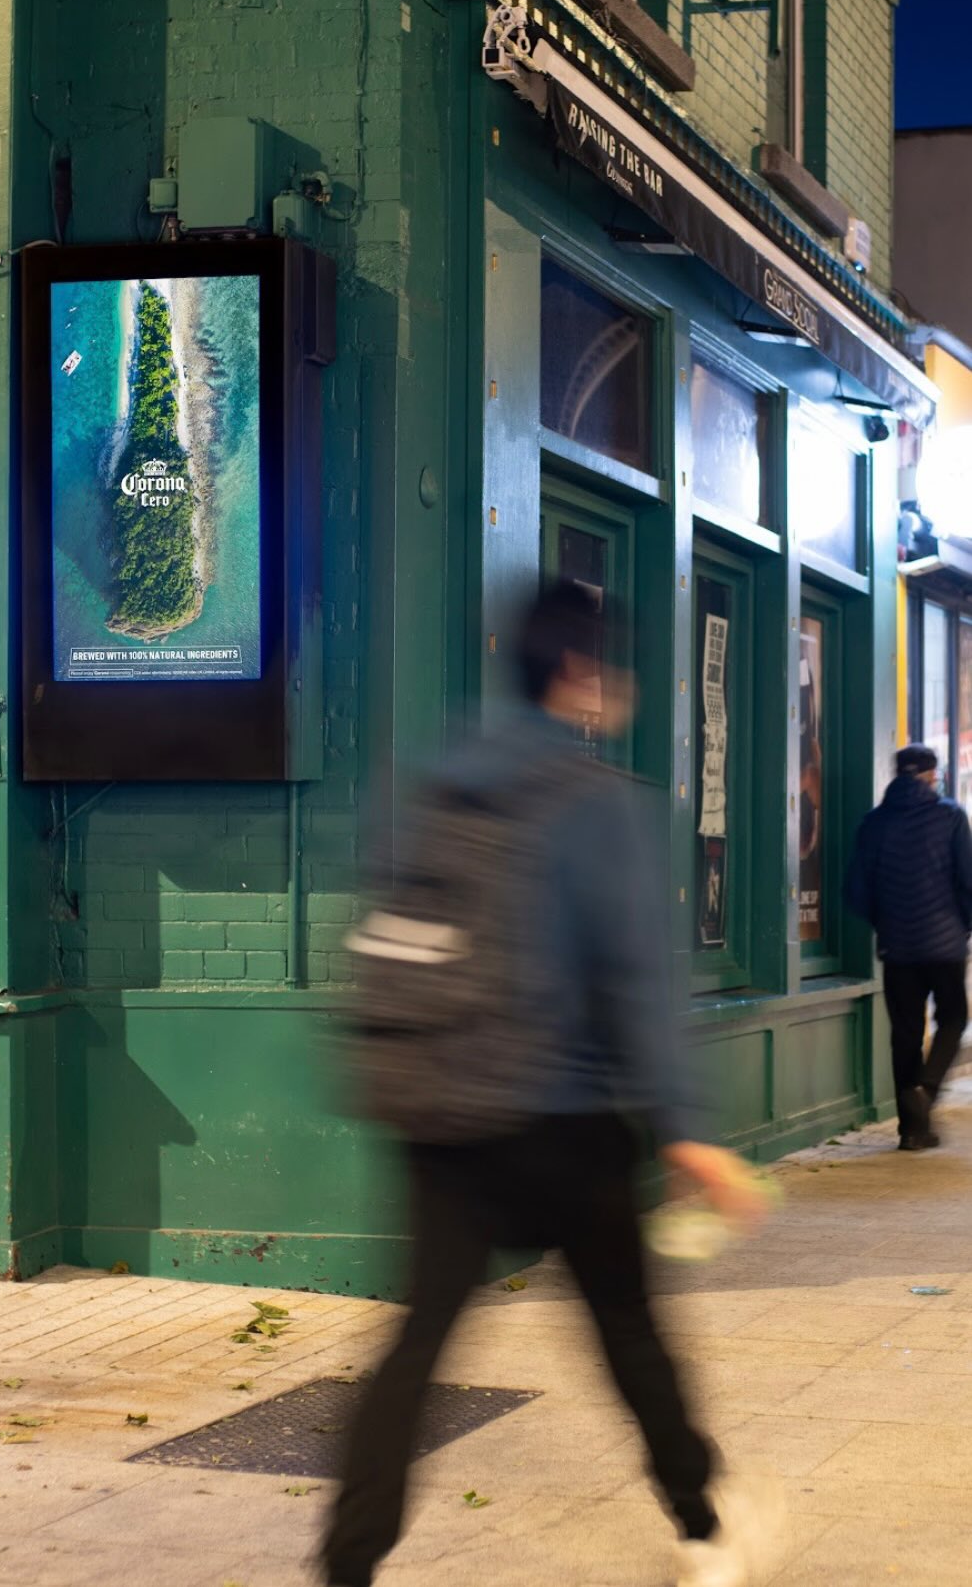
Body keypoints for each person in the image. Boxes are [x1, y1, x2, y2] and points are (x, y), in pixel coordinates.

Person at [322, 581, 786, 1587]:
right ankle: (704, 1528)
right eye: (612, 669)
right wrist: (685, 1130)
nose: (618, 687)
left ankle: (347, 1562)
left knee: (415, 1346)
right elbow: (636, 982)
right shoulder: (599, 805)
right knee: (626, 1332)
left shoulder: (430, 781)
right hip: (564, 1120)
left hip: (441, 1112)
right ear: (578, 677)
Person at [846, 742, 972, 1150]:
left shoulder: (874, 823)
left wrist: (887, 925)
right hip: (945, 946)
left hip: (897, 950)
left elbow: (856, 892)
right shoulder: (950, 816)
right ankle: (927, 1089)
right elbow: (967, 880)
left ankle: (911, 1131)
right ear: (932, 774)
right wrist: (964, 928)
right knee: (953, 1018)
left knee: (905, 1033)